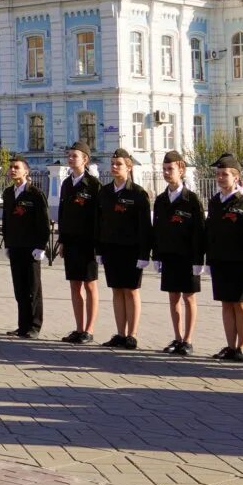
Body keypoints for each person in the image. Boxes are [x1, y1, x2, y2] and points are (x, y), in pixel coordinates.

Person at [95, 148, 152, 349]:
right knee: (117, 291)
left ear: (129, 167)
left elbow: (145, 226)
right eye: (112, 164)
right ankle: (120, 333)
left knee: (131, 291)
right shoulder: (105, 192)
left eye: (118, 164)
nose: (114, 167)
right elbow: (100, 222)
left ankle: (132, 334)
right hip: (111, 248)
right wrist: (99, 250)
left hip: (132, 250)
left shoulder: (137, 193)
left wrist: (145, 253)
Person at [205, 154, 243, 362]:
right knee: (226, 303)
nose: (220, 178)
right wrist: (209, 260)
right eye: (218, 174)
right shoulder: (215, 201)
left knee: (241, 304)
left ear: (236, 177)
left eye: (224, 174)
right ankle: (230, 345)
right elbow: (210, 233)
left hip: (241, 262)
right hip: (220, 260)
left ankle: (242, 347)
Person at [152, 151, 206, 355]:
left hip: (188, 256)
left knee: (189, 297)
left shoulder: (191, 199)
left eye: (170, 169)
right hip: (169, 255)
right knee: (173, 297)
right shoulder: (160, 200)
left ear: (181, 170)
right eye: (164, 169)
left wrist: (199, 259)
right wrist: (156, 255)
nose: (167, 173)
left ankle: (188, 340)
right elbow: (157, 229)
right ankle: (177, 337)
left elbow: (199, 231)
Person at [55, 142, 102, 344]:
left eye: (75, 156)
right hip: (71, 241)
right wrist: (62, 240)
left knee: (90, 285)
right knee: (75, 285)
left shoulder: (93, 185)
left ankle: (89, 330)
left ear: (85, 159)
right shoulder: (66, 184)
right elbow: (63, 214)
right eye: (69, 155)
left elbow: (98, 216)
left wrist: (97, 243)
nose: (71, 158)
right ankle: (79, 327)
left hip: (88, 242)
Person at [0, 157, 49, 337]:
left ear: (26, 172)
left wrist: (41, 246)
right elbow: (6, 220)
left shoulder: (35, 194)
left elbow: (43, 222)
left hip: (31, 247)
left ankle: (34, 326)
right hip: (15, 245)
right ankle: (22, 325)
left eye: (17, 167)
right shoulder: (8, 193)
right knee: (19, 287)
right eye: (11, 167)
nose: (13, 170)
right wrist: (7, 243)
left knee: (33, 288)